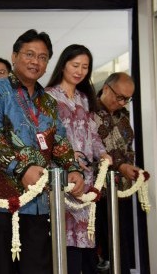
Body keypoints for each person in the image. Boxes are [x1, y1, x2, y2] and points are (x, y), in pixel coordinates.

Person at [0, 29, 84, 274]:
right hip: (2, 203)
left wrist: (74, 169)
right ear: (14, 56)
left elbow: (59, 142)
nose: (35, 61)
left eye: (43, 57)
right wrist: (21, 167)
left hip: (39, 204)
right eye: (29, 54)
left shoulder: (48, 102)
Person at [45, 44, 112, 274]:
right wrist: (65, 154)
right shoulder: (49, 96)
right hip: (62, 178)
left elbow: (92, 134)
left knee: (87, 244)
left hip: (87, 178)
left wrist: (102, 153)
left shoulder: (84, 98)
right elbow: (45, 136)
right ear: (63, 65)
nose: (80, 71)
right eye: (75, 65)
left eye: (85, 67)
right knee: (67, 242)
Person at [93, 72, 139, 274]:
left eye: (127, 99)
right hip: (97, 192)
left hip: (122, 191)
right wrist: (120, 165)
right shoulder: (88, 112)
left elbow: (127, 147)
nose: (122, 103)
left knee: (123, 244)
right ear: (105, 89)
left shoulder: (124, 115)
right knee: (103, 247)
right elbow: (95, 149)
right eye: (119, 97)